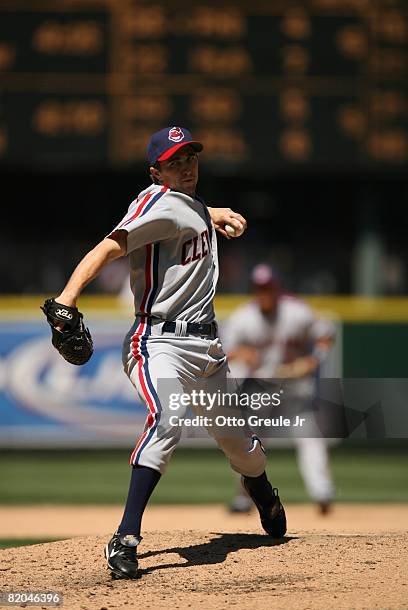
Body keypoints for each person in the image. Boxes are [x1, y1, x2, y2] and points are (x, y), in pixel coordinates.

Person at [51, 127, 287, 580]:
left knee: (245, 451)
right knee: (169, 417)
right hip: (159, 343)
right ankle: (125, 538)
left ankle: (261, 491)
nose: (187, 166)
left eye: (191, 157)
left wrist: (211, 212)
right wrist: (67, 298)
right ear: (156, 170)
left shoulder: (188, 202)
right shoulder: (157, 202)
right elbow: (111, 246)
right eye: (175, 161)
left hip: (208, 349)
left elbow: (185, 214)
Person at [223, 263, 335, 515]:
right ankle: (244, 498)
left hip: (296, 386)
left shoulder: (297, 312)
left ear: (277, 288)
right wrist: (242, 353)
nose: (264, 293)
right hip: (262, 387)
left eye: (268, 287)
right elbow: (225, 351)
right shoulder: (244, 317)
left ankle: (322, 492)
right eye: (259, 288)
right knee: (249, 444)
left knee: (310, 437)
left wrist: (314, 359)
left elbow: (326, 335)